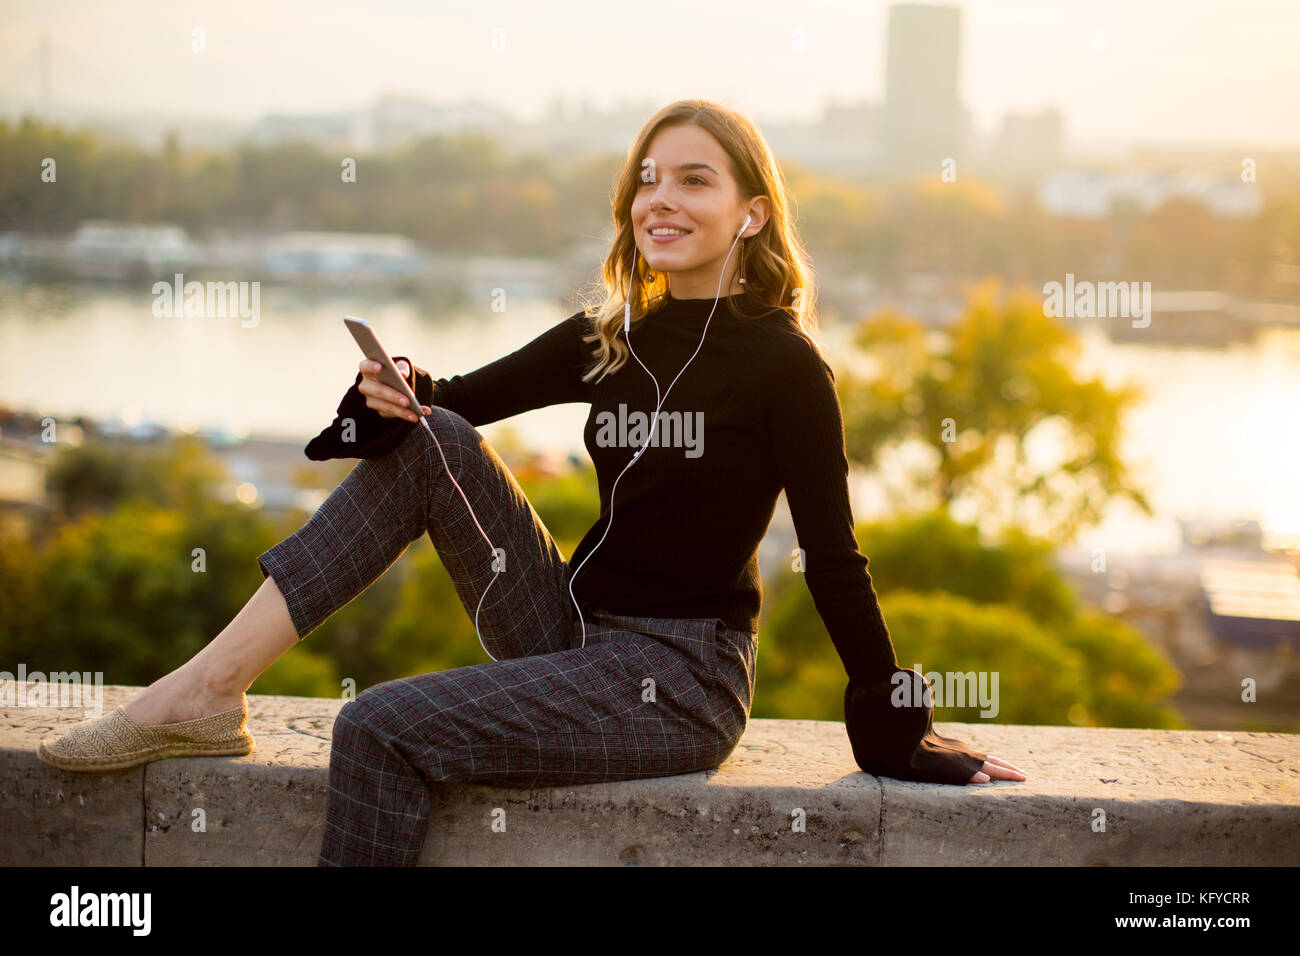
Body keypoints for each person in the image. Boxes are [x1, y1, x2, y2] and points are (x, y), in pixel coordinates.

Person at [39, 99, 1025, 865]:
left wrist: (896, 724)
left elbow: (833, 553)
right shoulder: (611, 333)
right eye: (648, 180)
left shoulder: (785, 366)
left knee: (376, 722)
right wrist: (391, 392)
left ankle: (200, 702)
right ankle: (207, 691)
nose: (661, 200)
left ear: (751, 213)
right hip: (565, 625)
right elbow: (451, 405)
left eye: (694, 180)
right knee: (437, 435)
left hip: (676, 682)